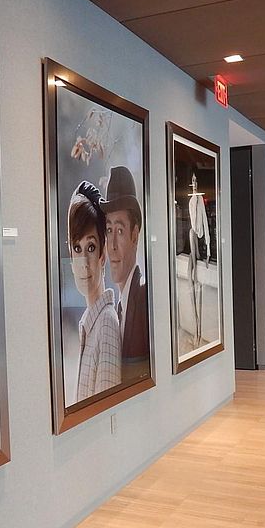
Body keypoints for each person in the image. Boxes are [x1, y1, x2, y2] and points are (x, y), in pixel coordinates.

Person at [67, 181, 121, 402]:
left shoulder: (106, 324)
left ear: (102, 255)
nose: (84, 263)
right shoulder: (89, 321)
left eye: (90, 247)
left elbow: (106, 408)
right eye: (77, 248)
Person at [101, 165, 149, 382]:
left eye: (119, 231)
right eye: (109, 230)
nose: (111, 246)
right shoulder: (120, 306)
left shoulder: (143, 297)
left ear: (135, 236)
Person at [187, 173, 210, 346]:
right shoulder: (190, 201)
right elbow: (193, 227)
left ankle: (198, 332)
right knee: (190, 278)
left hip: (199, 240)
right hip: (192, 238)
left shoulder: (200, 200)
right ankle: (196, 331)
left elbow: (205, 227)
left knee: (195, 279)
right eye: (192, 181)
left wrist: (208, 250)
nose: (194, 183)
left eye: (196, 180)